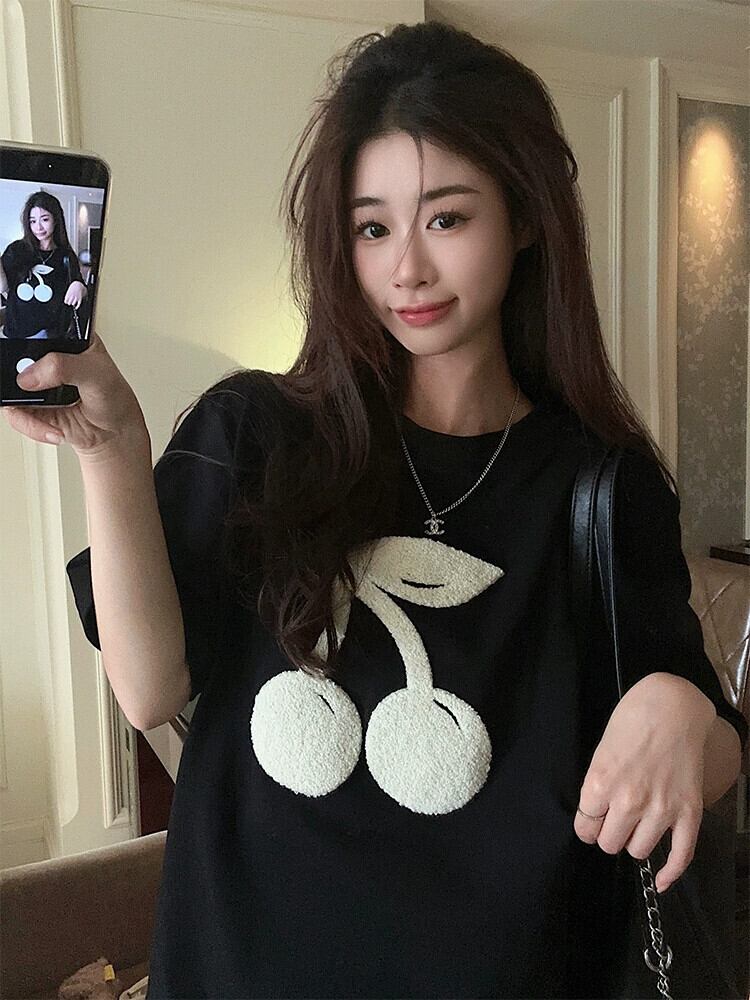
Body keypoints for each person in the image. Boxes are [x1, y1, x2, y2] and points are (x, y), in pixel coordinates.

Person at [4, 21, 747, 1000]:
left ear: (526, 217)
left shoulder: (599, 488)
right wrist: (111, 449)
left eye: (447, 219)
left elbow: (710, 751)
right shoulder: (258, 433)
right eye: (372, 228)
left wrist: (689, 711)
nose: (407, 270)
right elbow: (149, 690)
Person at [0, 191, 87, 339]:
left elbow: (80, 288)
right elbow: (2, 288)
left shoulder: (65, 255)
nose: (38, 227)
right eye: (32, 221)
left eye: (44, 219)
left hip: (51, 335)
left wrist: (79, 286)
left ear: (56, 220)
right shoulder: (17, 250)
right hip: (16, 334)